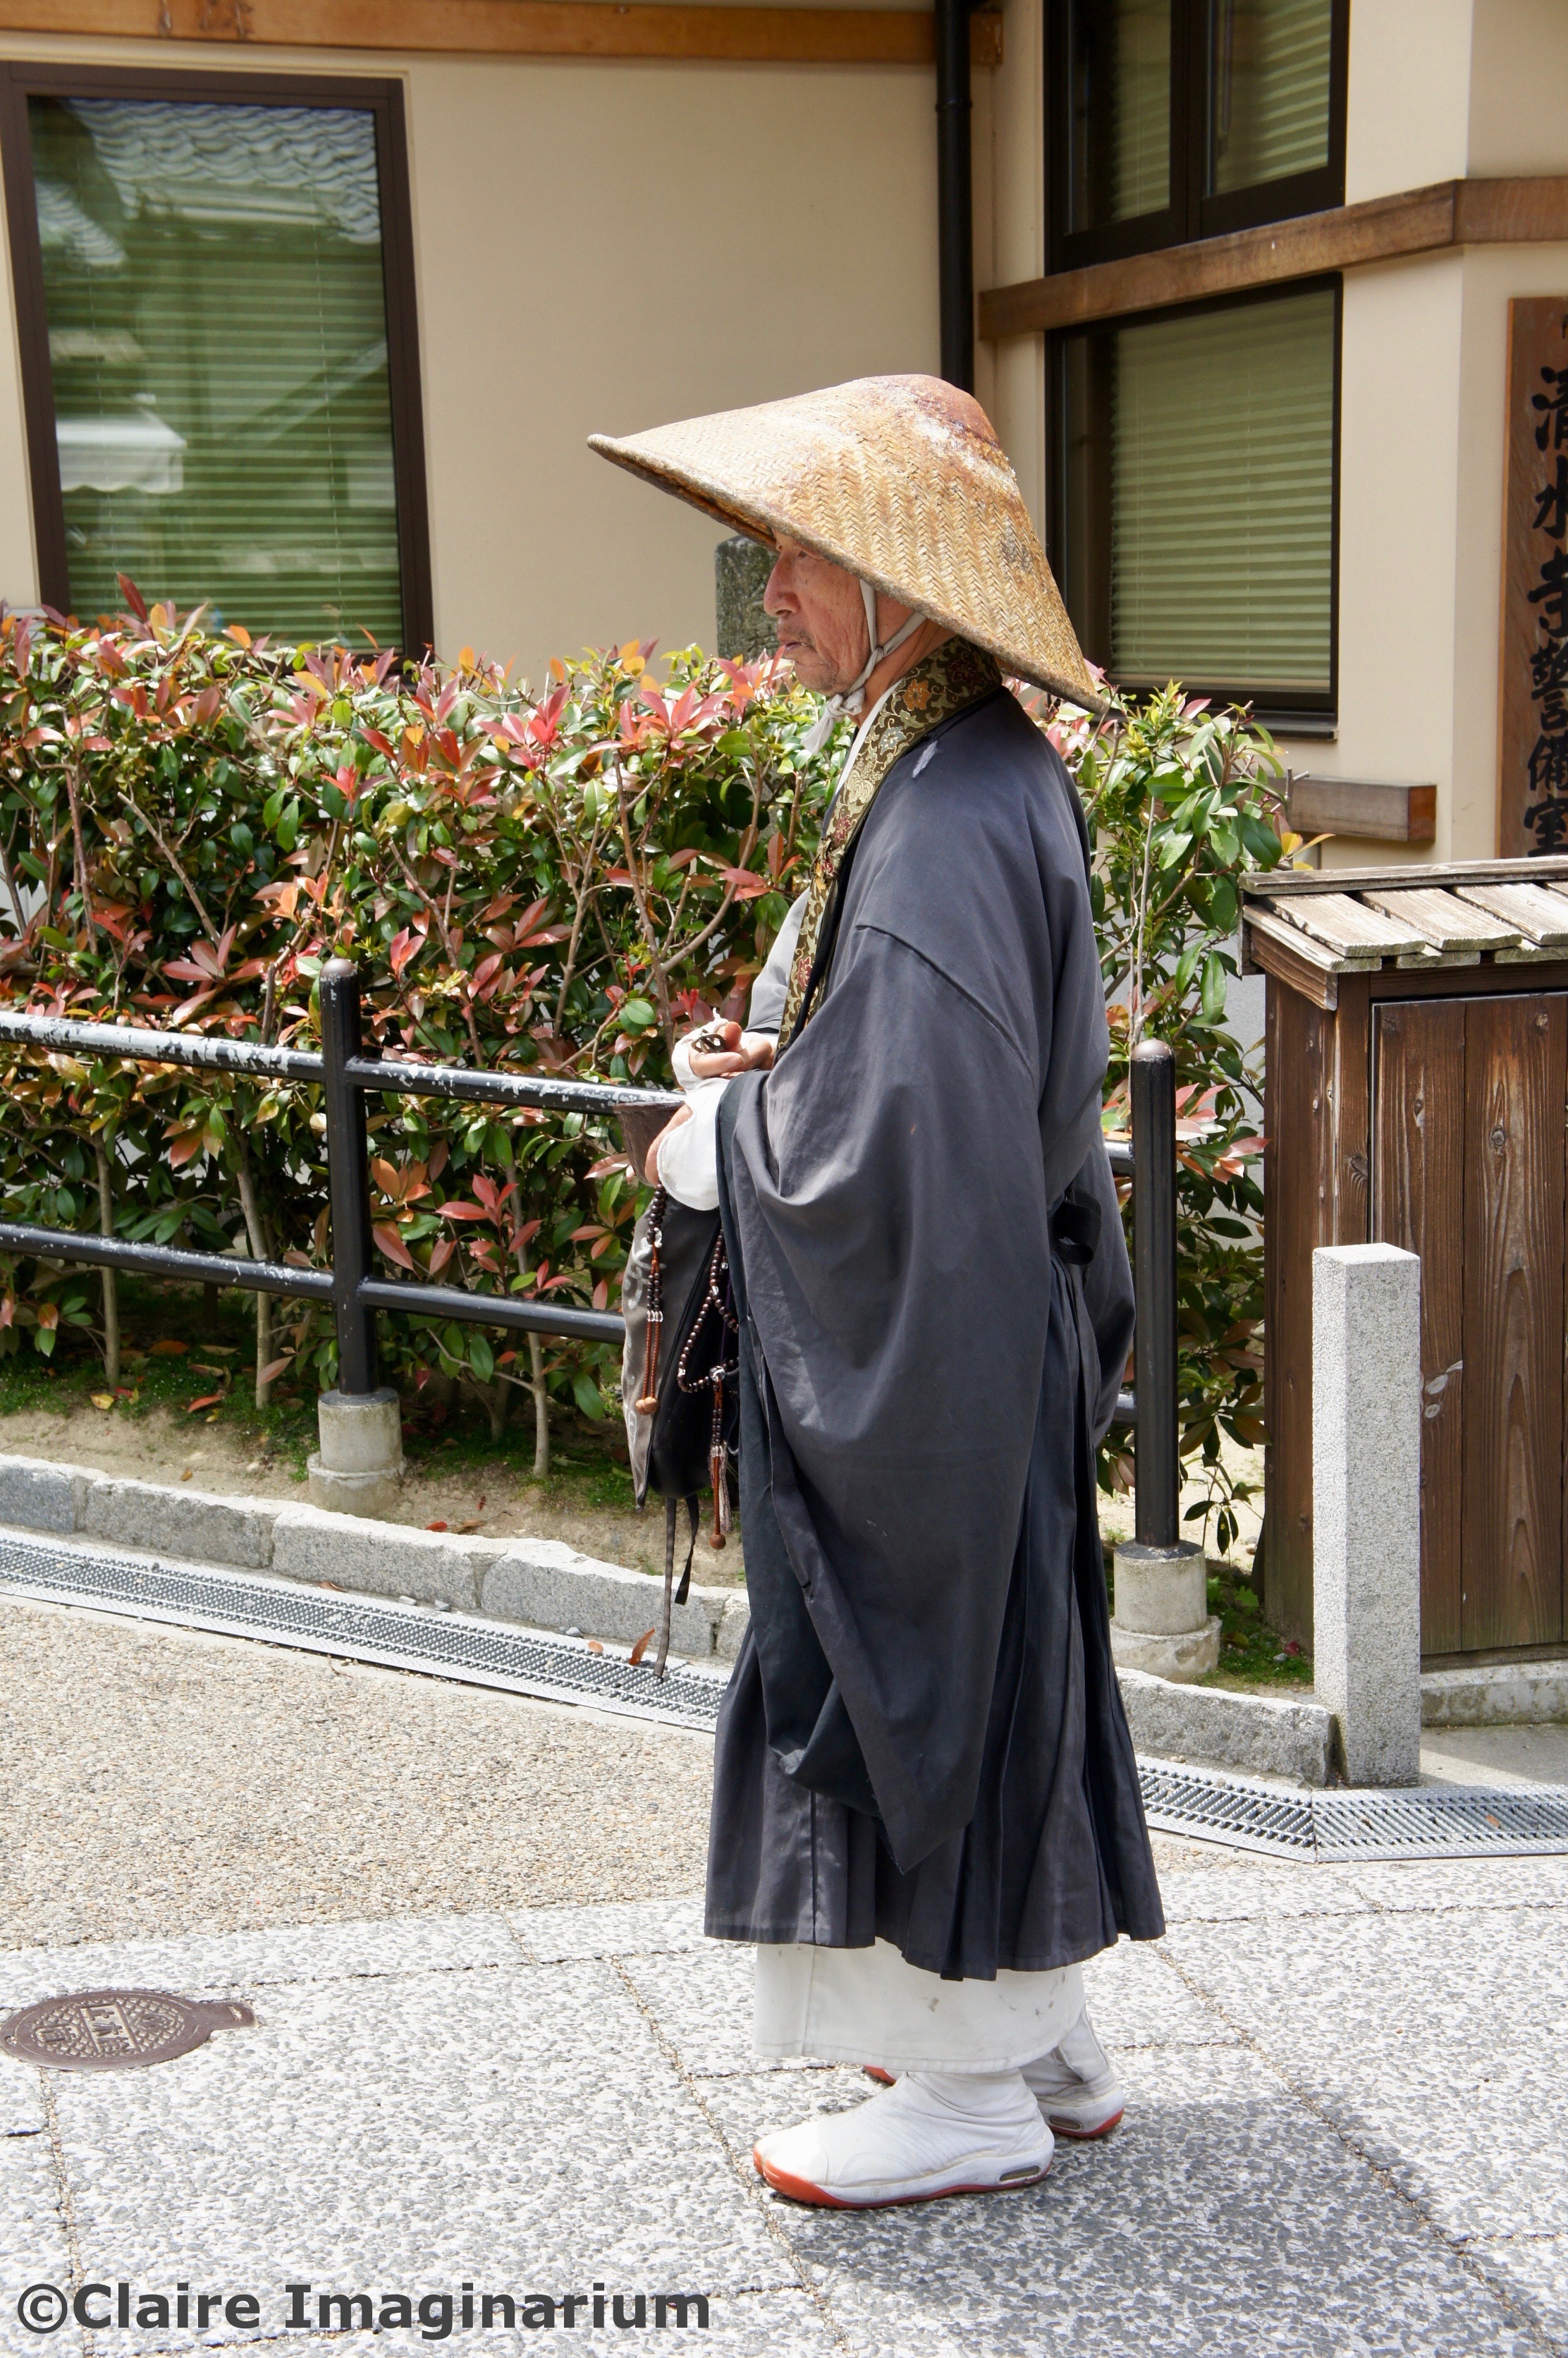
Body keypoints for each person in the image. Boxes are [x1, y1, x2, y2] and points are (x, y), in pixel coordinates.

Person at [590, 375, 1163, 2211]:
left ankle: (960, 2088)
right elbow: (906, 1072)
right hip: (999, 1335)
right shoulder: (978, 769)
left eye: (798, 561)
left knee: (895, 1672)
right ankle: (1044, 2042)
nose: (770, 594)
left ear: (898, 587)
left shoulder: (936, 813)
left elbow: (891, 1153)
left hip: (943, 1336)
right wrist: (776, 1062)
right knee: (998, 1657)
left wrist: (716, 1149)